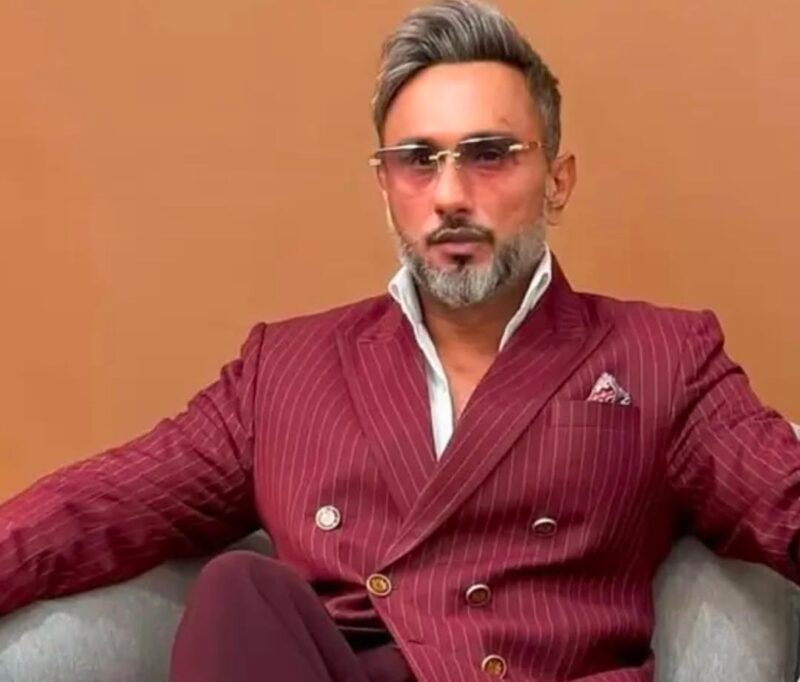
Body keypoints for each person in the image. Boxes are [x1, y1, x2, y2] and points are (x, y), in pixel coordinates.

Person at [1, 1, 798, 680]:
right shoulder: (286, 370)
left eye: (489, 155)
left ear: (557, 180)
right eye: (418, 160)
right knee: (239, 590)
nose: (450, 195)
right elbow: (104, 506)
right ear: (386, 189)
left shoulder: (660, 355)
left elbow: (782, 496)